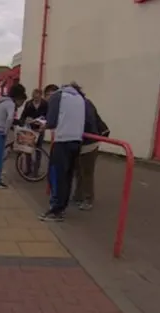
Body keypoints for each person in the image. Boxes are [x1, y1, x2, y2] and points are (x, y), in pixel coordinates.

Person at [39, 82, 97, 221]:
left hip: (62, 140)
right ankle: (62, 207)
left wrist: (43, 126)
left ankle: (56, 210)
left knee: (56, 176)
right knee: (68, 175)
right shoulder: (80, 98)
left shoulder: (57, 97)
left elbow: (52, 122)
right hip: (76, 141)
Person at [72, 90, 110, 211]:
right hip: (85, 142)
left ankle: (88, 198)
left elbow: (88, 123)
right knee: (79, 170)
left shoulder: (84, 105)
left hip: (88, 142)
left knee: (86, 172)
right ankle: (78, 195)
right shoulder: (84, 103)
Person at [18, 89, 49, 176]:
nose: (35, 99)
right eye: (34, 97)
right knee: (28, 149)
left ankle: (36, 170)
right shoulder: (29, 104)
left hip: (40, 129)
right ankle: (28, 169)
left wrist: (43, 121)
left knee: (39, 149)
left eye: (37, 98)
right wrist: (24, 121)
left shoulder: (45, 104)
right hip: (30, 129)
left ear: (40, 96)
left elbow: (48, 115)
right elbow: (23, 115)